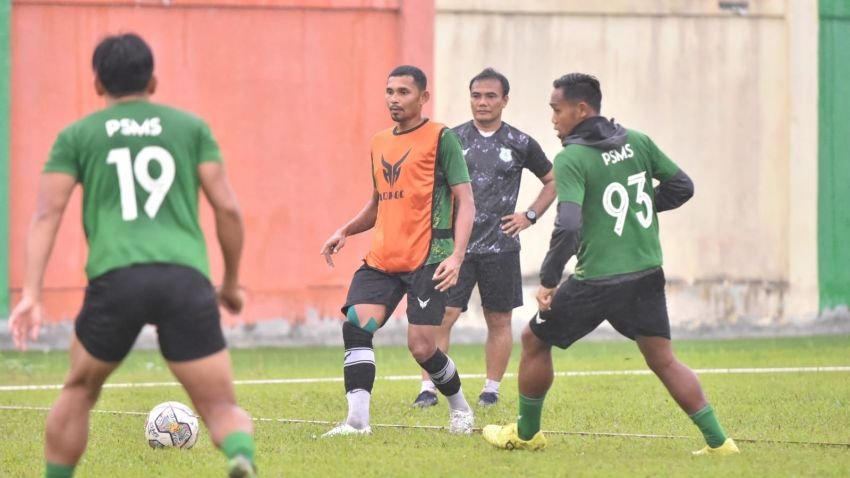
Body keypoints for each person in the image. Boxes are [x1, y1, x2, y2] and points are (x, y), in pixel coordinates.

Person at [7, 34, 258, 477]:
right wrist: (231, 283)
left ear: (98, 83)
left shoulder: (77, 136)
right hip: (184, 278)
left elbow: (47, 214)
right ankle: (240, 455)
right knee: (220, 406)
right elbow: (228, 208)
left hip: (115, 277)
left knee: (79, 390)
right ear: (154, 81)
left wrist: (30, 293)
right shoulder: (190, 128)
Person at [482, 73, 739, 456]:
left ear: (581, 109)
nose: (553, 118)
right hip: (647, 273)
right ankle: (721, 444)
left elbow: (567, 225)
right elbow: (681, 187)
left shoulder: (572, 158)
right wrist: (638, 211)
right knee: (663, 359)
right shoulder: (637, 141)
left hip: (598, 281)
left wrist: (549, 279)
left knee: (534, 340)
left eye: (557, 109)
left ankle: (527, 433)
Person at [320, 65, 476, 436]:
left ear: (423, 98)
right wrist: (346, 230)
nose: (394, 99)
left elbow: (465, 201)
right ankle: (357, 422)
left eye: (403, 92)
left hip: (428, 259)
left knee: (422, 347)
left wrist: (456, 256)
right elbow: (379, 203)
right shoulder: (379, 142)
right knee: (356, 326)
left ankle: (460, 408)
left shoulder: (441, 138)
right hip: (382, 259)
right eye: (389, 91)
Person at [412, 68, 556, 409]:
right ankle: (429, 388)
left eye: (491, 96)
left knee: (499, 319)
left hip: (501, 248)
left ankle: (491, 389)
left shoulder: (519, 143)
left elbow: (553, 181)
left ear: (504, 100)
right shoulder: (451, 139)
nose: (482, 102)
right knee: (442, 316)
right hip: (453, 249)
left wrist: (529, 216)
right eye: (476, 95)